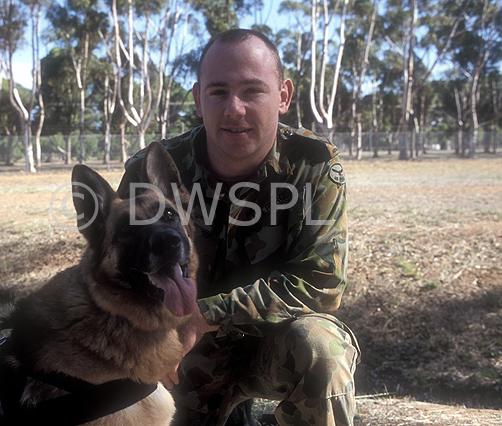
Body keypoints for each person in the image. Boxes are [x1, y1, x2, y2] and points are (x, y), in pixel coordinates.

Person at [118, 29, 360, 426]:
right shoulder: (153, 170)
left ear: (282, 96)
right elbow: (117, 272)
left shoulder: (312, 164)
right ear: (198, 99)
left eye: (252, 90)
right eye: (218, 92)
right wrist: (148, 338)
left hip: (271, 340)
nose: (234, 108)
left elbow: (321, 282)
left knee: (322, 350)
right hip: (180, 353)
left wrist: (205, 314)